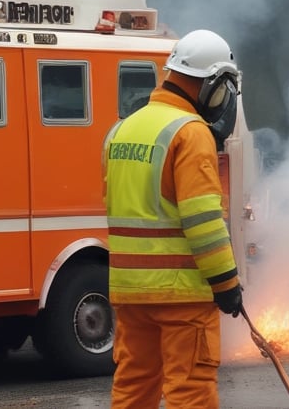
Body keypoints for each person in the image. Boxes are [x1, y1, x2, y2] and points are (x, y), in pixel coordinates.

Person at [104, 29, 244, 408]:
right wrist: (227, 283)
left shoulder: (122, 130)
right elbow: (203, 222)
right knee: (190, 391)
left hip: (130, 292)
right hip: (182, 294)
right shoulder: (190, 132)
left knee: (133, 387)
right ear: (214, 85)